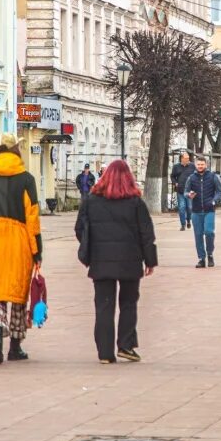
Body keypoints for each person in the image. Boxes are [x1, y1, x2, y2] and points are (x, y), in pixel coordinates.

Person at [75, 159, 157, 364]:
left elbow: (80, 229)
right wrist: (150, 260)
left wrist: (90, 249)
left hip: (100, 260)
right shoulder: (135, 202)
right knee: (129, 303)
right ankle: (126, 346)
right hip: (130, 260)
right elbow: (146, 233)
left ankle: (105, 353)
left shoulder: (92, 200)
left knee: (103, 305)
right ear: (128, 177)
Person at [0, 133, 42, 364]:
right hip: (19, 239)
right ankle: (15, 346)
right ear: (16, 150)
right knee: (18, 292)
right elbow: (32, 216)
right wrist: (37, 251)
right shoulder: (26, 179)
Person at [183, 155, 221, 268]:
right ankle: (201, 258)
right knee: (198, 235)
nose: (200, 166)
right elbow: (185, 192)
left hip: (209, 210)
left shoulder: (213, 176)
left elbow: (219, 191)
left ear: (206, 165)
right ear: (195, 165)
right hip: (196, 211)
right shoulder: (191, 178)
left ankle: (210, 254)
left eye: (202, 164)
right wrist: (189, 195)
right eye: (198, 164)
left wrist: (214, 201)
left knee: (209, 232)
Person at [170, 152, 196, 231]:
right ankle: (183, 224)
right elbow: (172, 176)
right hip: (180, 190)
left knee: (190, 207)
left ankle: (188, 220)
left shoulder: (192, 166)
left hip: (190, 190)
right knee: (181, 207)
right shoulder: (176, 167)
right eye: (186, 158)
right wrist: (175, 183)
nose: (188, 159)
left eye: (188, 158)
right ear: (182, 159)